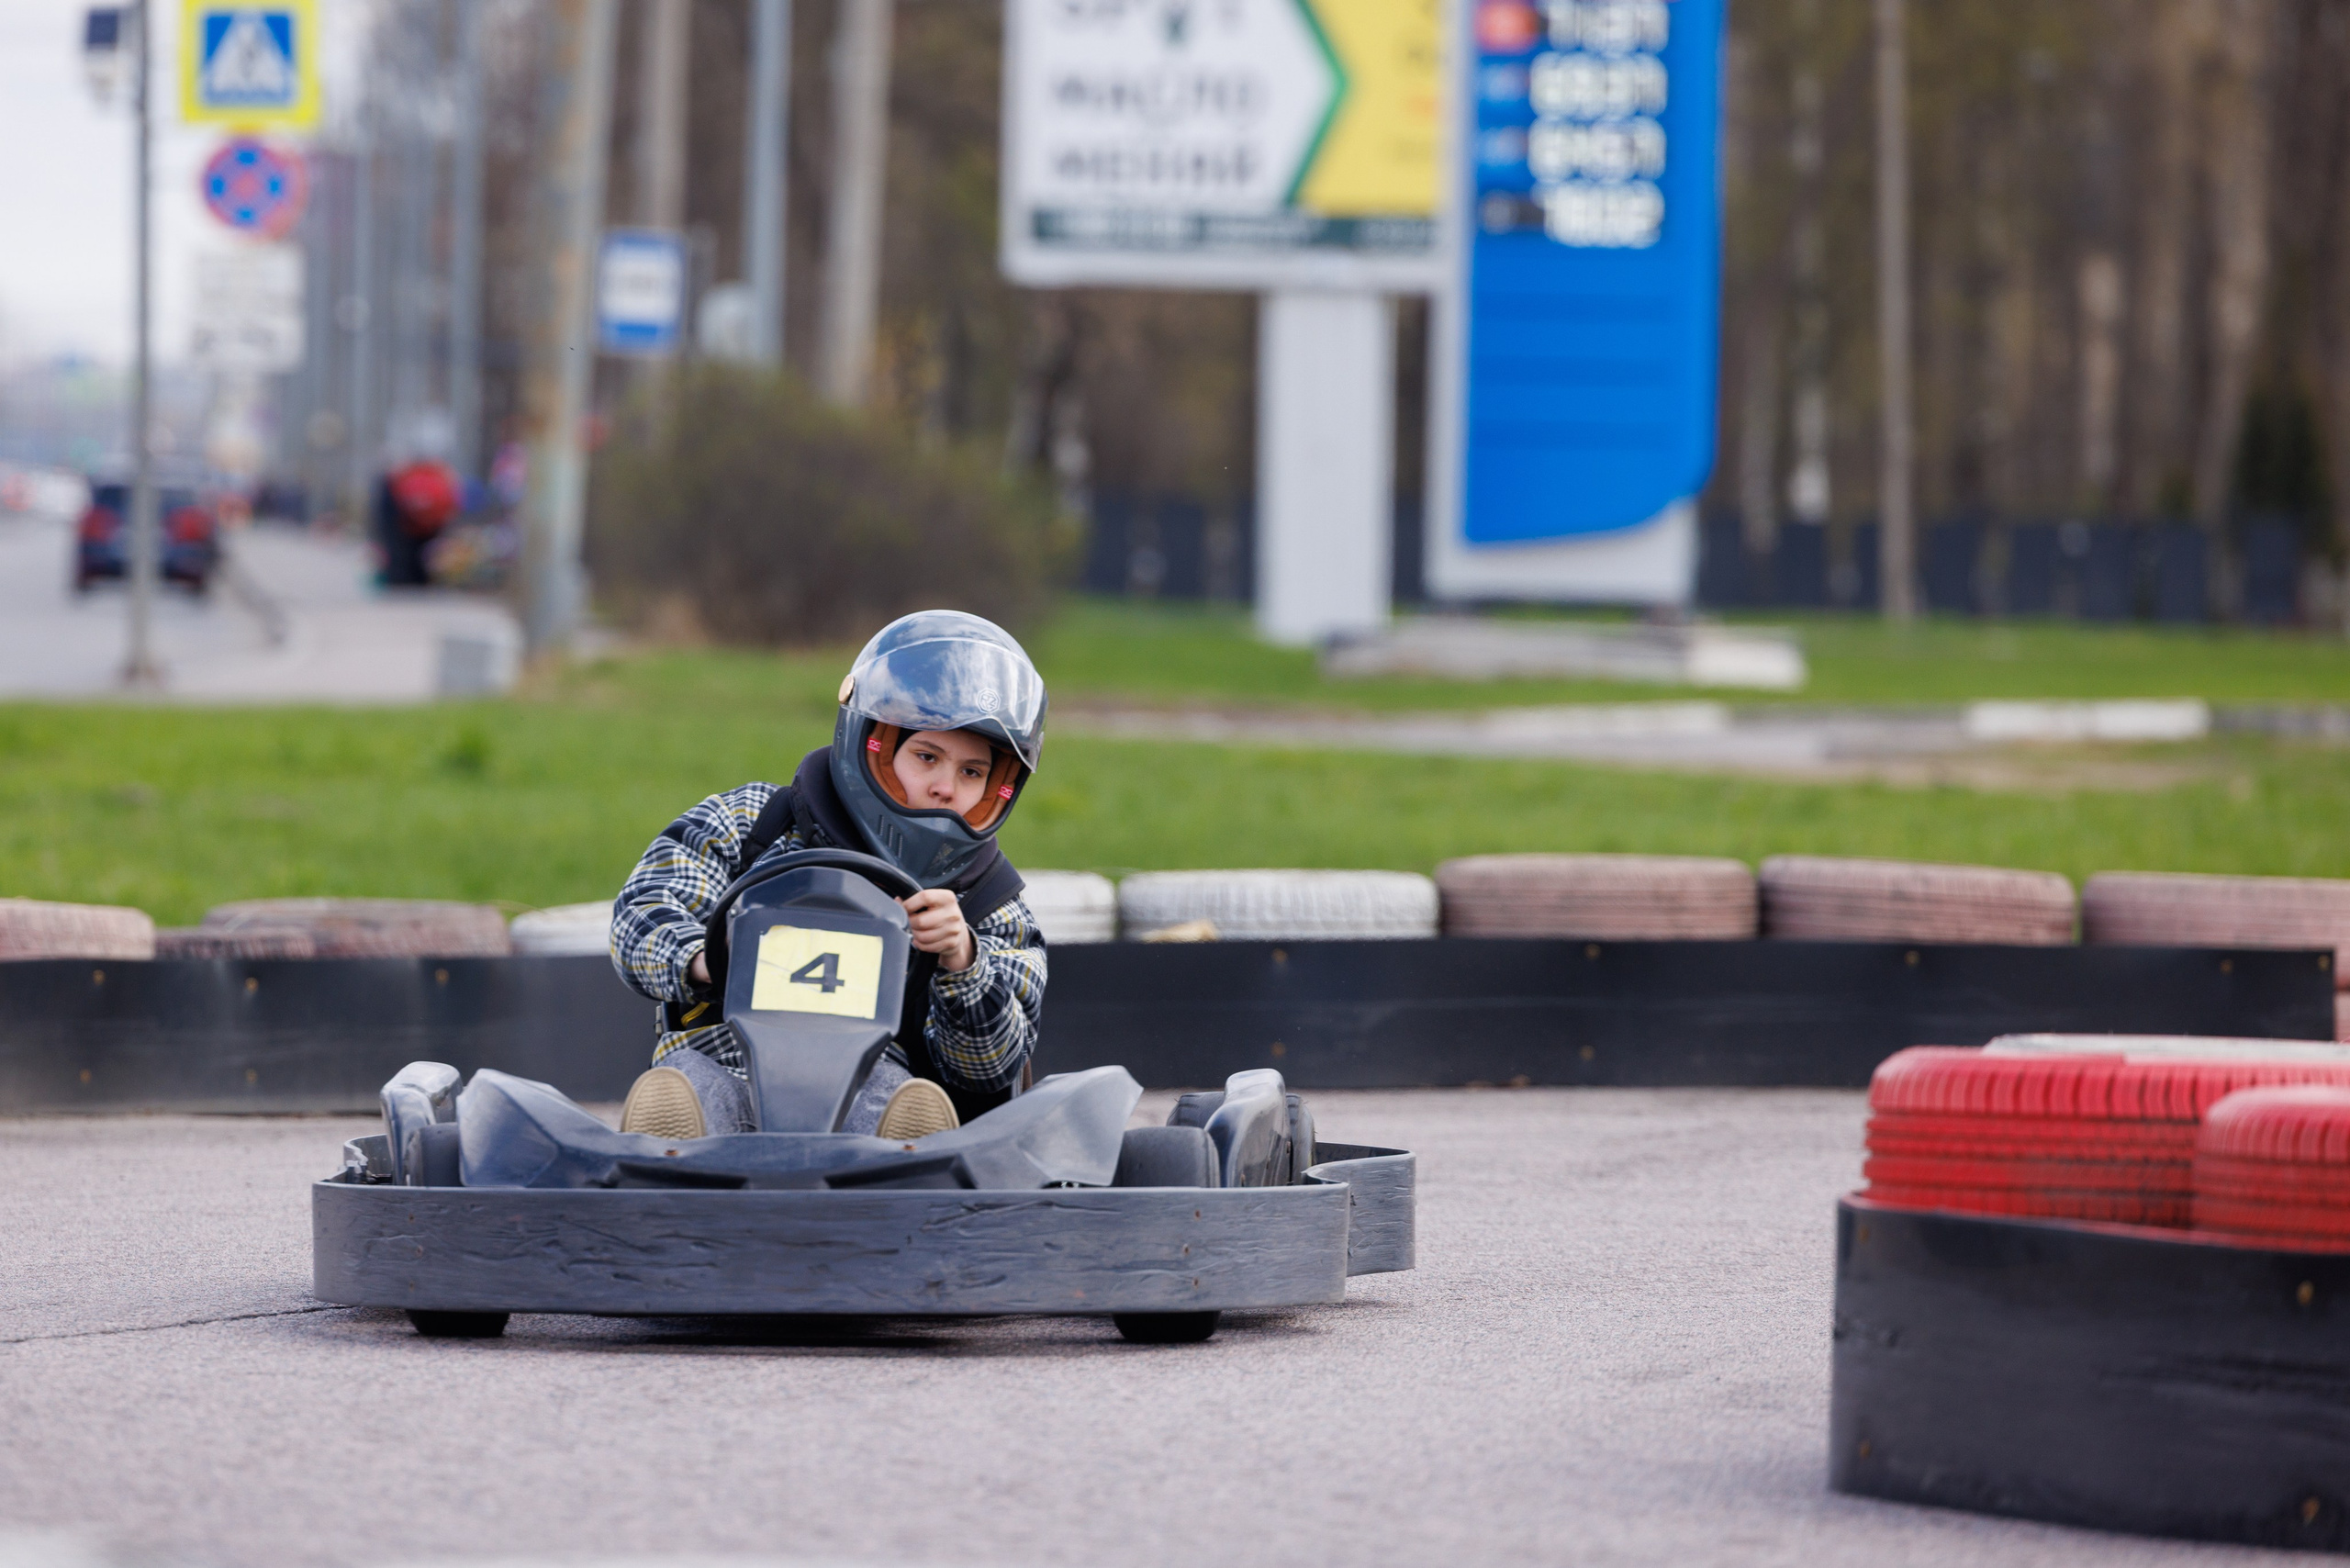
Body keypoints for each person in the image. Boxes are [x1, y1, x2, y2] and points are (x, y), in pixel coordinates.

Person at [609, 610, 1048, 1143]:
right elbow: (641, 914)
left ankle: (903, 1160)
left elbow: (991, 1068)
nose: (944, 787)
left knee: (893, 1101)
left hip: (869, 1086)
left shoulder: (988, 905)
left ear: (999, 785)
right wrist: (710, 957)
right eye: (927, 757)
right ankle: (676, 1156)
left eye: (971, 772)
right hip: (725, 1061)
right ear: (874, 745)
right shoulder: (750, 825)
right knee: (691, 1084)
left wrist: (961, 963)